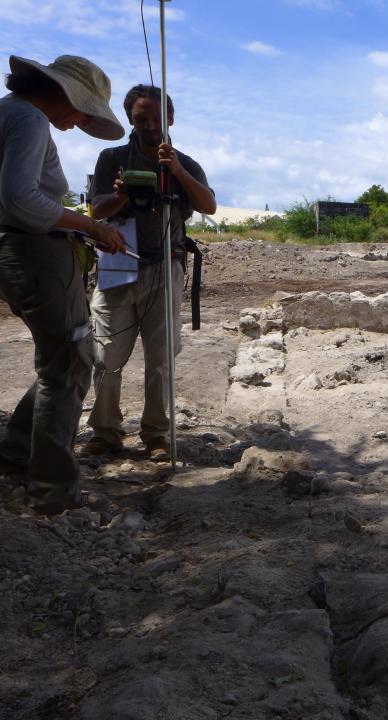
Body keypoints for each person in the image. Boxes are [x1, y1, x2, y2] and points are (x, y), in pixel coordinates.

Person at [0, 54, 126, 514]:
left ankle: (16, 452)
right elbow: (20, 200)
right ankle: (53, 491)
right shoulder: (30, 119)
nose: (77, 123)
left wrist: (76, 226)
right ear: (62, 92)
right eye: (80, 110)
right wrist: (90, 226)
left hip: (21, 254)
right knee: (70, 364)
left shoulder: (8, 112)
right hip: (34, 253)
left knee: (63, 360)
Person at [84, 85, 215, 461]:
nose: (149, 125)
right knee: (106, 355)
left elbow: (209, 204)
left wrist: (175, 170)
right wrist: (122, 195)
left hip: (164, 266)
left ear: (170, 118)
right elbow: (97, 211)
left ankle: (156, 434)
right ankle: (105, 432)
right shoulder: (111, 158)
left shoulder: (185, 162)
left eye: (156, 118)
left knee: (160, 359)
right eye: (141, 118)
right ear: (129, 119)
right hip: (117, 267)